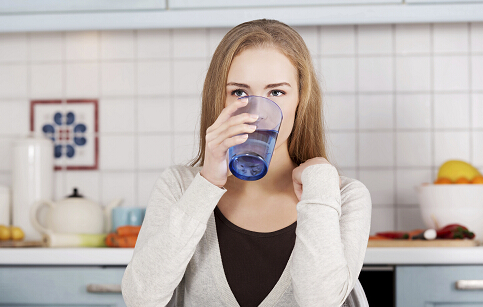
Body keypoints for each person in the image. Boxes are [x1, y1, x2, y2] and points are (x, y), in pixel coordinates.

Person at [122, 19, 372, 307]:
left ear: (301, 100)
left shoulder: (343, 196)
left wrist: (319, 182)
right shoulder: (179, 186)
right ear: (220, 99)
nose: (256, 113)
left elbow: (321, 302)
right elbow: (140, 299)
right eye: (239, 93)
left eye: (276, 92)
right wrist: (207, 184)